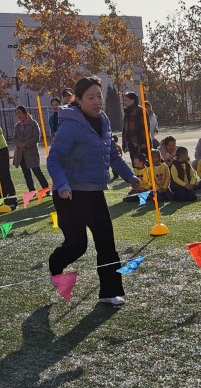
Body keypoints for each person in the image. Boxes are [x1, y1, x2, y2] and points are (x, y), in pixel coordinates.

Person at [47, 76, 142, 307]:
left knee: (106, 242)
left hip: (94, 192)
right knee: (77, 245)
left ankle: (110, 292)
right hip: (69, 194)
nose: (97, 101)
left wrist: (130, 177)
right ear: (79, 100)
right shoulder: (70, 124)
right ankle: (56, 264)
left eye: (99, 96)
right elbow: (54, 159)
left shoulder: (104, 120)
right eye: (90, 97)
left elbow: (112, 155)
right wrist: (63, 185)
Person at [12, 106, 48, 193]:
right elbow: (14, 137)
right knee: (26, 173)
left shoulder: (33, 124)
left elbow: (36, 137)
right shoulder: (17, 125)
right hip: (21, 154)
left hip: (31, 153)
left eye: (19, 113)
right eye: (16, 114)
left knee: (37, 171)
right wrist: (19, 144)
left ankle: (46, 189)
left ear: (25, 113)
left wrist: (25, 144)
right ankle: (31, 191)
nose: (18, 115)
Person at [121, 92, 149, 159]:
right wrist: (124, 143)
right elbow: (125, 129)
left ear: (132, 100)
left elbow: (144, 128)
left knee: (143, 163)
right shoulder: (127, 112)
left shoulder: (141, 111)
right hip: (131, 144)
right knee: (135, 163)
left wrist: (143, 143)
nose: (124, 102)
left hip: (141, 144)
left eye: (126, 100)